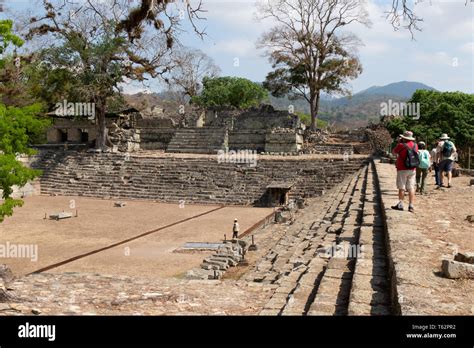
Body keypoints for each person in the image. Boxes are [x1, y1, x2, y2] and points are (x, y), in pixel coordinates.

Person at [391, 131, 417, 213]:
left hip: (402, 168)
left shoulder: (401, 145)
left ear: (404, 138)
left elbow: (393, 152)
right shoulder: (415, 145)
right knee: (411, 187)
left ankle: (401, 204)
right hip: (412, 168)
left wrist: (399, 143)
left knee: (402, 187)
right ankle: (411, 205)